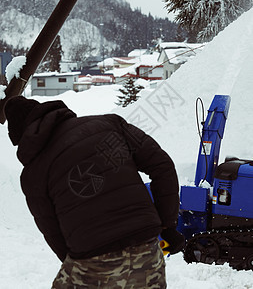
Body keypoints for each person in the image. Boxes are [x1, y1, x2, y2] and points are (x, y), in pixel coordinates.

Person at [4, 95, 184, 289]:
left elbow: (52, 230)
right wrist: (168, 225)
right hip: (146, 247)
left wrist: (81, 260)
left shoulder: (33, 174)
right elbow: (162, 166)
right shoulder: (109, 125)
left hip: (91, 260)